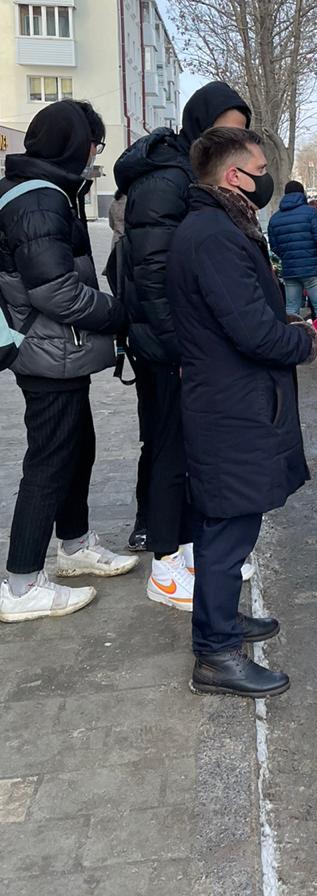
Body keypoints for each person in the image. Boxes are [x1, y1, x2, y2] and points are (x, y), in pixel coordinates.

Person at [168, 127, 317, 697]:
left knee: (235, 520)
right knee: (226, 529)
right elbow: (250, 331)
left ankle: (225, 622)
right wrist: (305, 342)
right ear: (235, 175)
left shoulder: (220, 227)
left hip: (233, 401)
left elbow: (245, 315)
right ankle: (215, 654)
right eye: (259, 167)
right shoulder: (214, 235)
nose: (265, 176)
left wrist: (287, 328)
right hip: (228, 406)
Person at [0, 100, 137, 623]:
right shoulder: (38, 200)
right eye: (94, 144)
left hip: (61, 351)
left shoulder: (48, 191)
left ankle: (75, 545)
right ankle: (20, 584)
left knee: (77, 448)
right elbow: (56, 292)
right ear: (75, 144)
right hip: (46, 350)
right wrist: (118, 313)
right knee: (50, 460)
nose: (95, 155)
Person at [113, 81, 251, 598]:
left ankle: (191, 552)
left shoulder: (191, 173)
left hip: (184, 345)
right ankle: (166, 566)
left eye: (239, 135)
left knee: (190, 451)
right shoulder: (167, 180)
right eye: (224, 131)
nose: (232, 142)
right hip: (166, 346)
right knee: (170, 448)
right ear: (200, 124)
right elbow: (153, 276)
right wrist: (178, 349)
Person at [268, 181, 317, 352]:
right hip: (312, 268)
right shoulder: (310, 213)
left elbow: (274, 246)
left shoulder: (275, 218)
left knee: (291, 308)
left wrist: (287, 257)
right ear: (302, 193)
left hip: (290, 270)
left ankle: (293, 346)